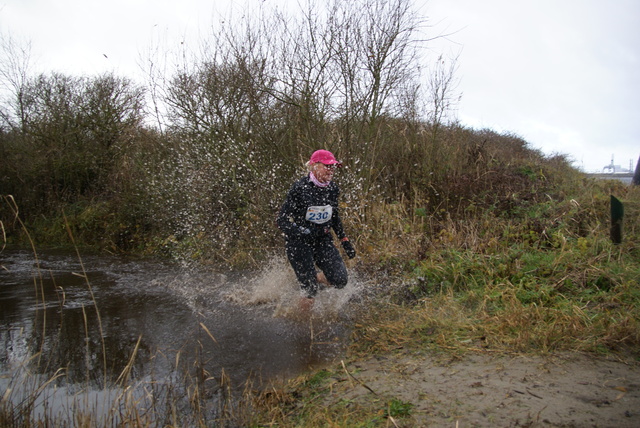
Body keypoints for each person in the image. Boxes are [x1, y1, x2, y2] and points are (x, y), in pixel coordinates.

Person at [277, 149, 356, 307]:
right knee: (310, 291)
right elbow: (281, 220)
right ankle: (302, 326)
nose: (331, 170)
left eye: (333, 166)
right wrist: (301, 231)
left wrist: (344, 239)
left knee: (340, 280)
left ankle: (316, 276)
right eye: (327, 166)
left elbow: (334, 216)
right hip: (299, 244)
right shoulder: (300, 188)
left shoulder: (332, 188)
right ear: (314, 166)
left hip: (322, 240)